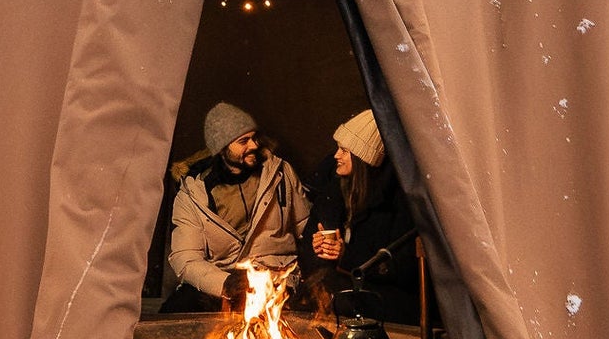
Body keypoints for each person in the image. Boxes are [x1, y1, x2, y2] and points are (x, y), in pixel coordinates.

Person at [162, 101, 313, 314]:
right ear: (222, 148)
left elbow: (306, 226)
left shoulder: (278, 173)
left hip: (276, 281)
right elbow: (186, 258)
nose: (253, 145)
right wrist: (225, 283)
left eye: (254, 137)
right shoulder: (194, 193)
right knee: (173, 312)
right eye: (243, 141)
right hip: (224, 283)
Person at [303, 108, 419, 325]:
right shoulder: (334, 191)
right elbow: (310, 242)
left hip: (387, 296)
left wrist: (346, 256)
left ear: (363, 158)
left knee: (336, 296)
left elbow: (402, 270)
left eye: (344, 151)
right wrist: (318, 248)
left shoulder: (395, 201)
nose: (336, 156)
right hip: (342, 283)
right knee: (310, 291)